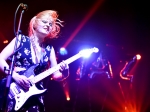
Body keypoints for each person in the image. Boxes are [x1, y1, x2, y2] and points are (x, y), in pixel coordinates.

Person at [0, 10, 69, 112]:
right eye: (45, 22)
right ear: (35, 24)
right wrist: (15, 76)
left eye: (50, 24)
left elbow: (56, 75)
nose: (48, 25)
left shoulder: (49, 49)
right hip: (13, 89)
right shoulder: (21, 40)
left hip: (34, 94)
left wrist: (65, 72)